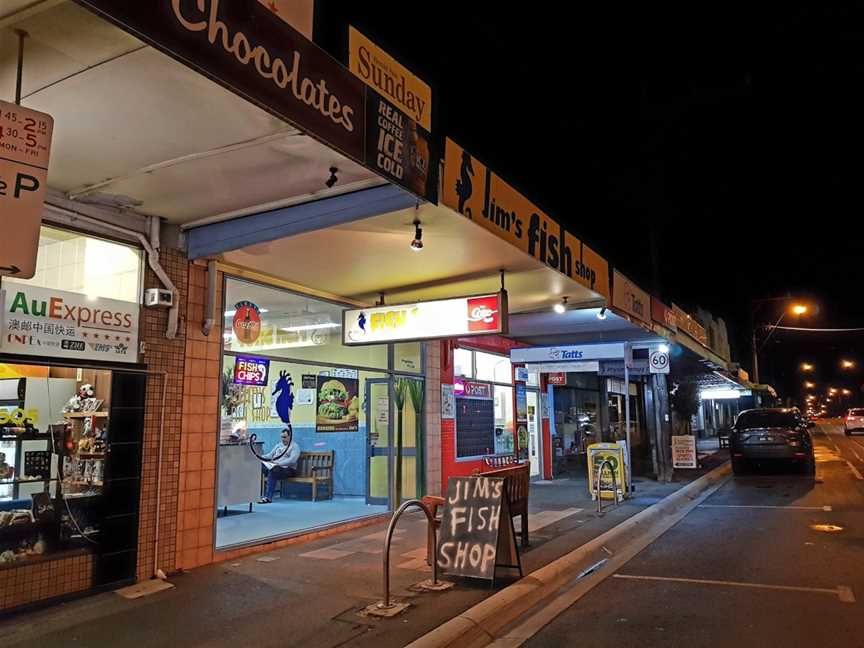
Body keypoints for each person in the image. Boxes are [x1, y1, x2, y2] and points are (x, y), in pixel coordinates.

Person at [258, 427, 300, 504]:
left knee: (274, 470)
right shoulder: (278, 445)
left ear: (290, 437)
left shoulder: (294, 446)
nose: (282, 439)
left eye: (284, 437)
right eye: (281, 437)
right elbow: (269, 455)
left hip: (288, 469)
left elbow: (292, 460)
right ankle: (254, 494)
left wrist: (278, 464)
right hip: (275, 468)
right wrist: (259, 457)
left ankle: (268, 497)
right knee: (258, 465)